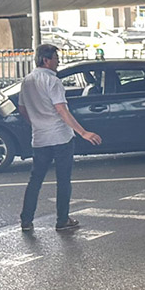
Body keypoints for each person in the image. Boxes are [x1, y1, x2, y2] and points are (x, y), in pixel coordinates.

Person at [18, 44, 102, 233]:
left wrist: (36, 122)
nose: (58, 61)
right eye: (56, 58)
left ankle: (26, 219)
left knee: (35, 180)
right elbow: (61, 109)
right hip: (60, 137)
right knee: (63, 180)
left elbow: (22, 108)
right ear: (46, 60)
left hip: (39, 138)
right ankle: (62, 219)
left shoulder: (27, 81)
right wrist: (83, 132)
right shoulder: (53, 81)